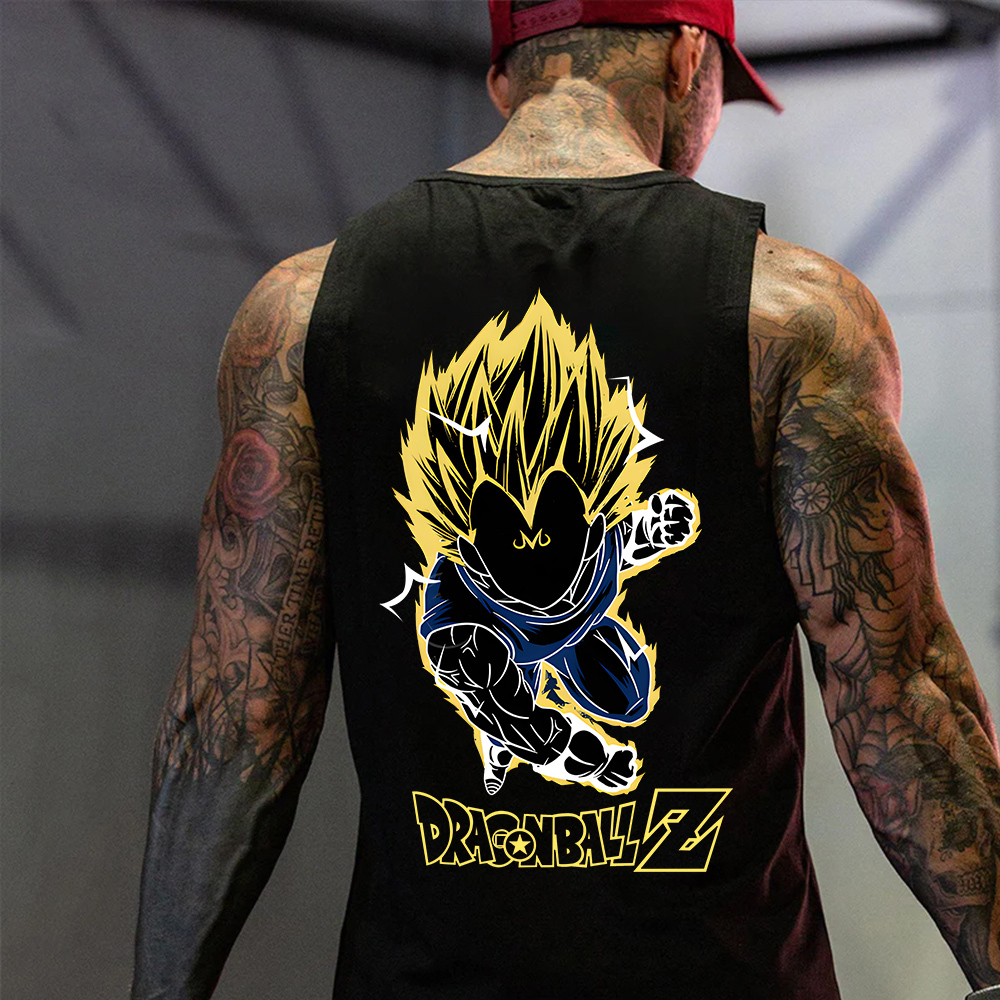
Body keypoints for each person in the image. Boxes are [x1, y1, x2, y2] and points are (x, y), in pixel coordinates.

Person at [129, 1, 1000, 997]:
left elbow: (233, 710)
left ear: (503, 77)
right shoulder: (794, 315)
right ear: (688, 60)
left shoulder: (302, 312)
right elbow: (901, 687)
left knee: (594, 666)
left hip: (425, 980)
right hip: (722, 979)